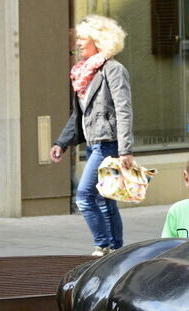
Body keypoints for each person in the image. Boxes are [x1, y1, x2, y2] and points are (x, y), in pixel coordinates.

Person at [50, 15, 134, 257]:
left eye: (82, 38)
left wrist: (126, 149)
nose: (77, 43)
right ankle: (116, 250)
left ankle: (102, 245)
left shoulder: (114, 70)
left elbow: (124, 110)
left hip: (109, 144)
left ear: (98, 40)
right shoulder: (84, 73)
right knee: (105, 200)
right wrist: (61, 142)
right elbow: (79, 115)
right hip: (93, 145)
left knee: (85, 196)